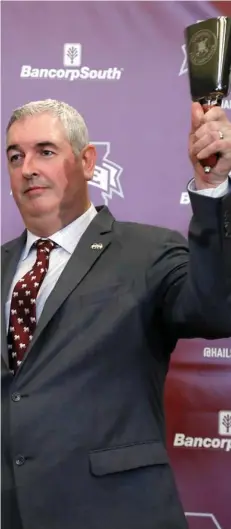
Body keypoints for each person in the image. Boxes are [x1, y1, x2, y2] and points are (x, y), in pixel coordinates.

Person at [1, 98, 231, 529]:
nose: (28, 166)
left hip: (115, 513)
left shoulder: (149, 252)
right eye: (15, 156)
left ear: (87, 161)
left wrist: (214, 191)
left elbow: (216, 310)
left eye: (45, 151)